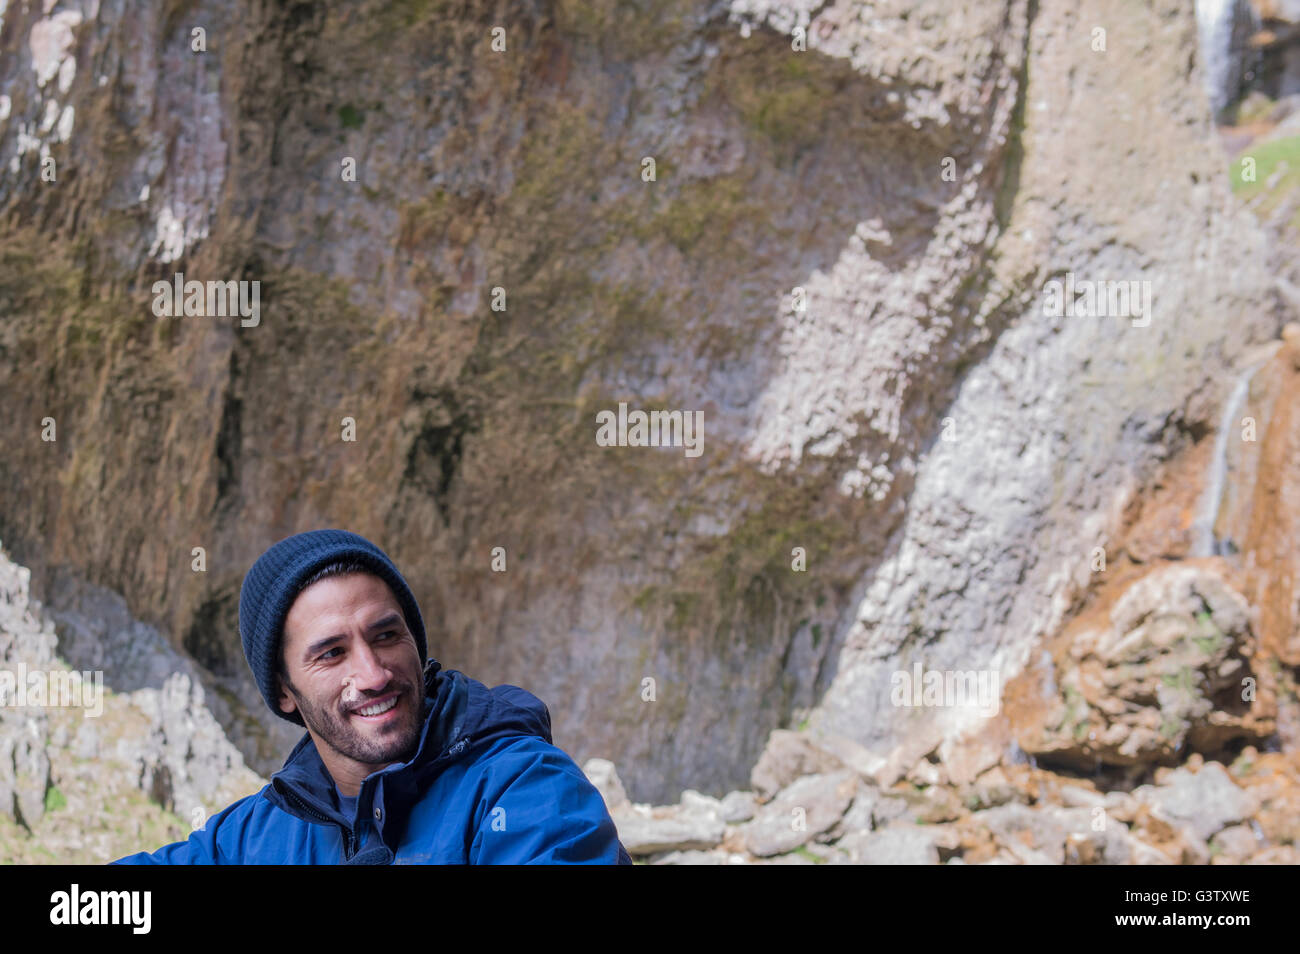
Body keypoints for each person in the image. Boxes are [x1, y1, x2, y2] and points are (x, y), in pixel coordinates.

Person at [111, 528, 632, 864]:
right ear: (284, 692)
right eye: (332, 653)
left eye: (385, 636)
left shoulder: (523, 786)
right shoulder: (258, 836)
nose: (373, 673)